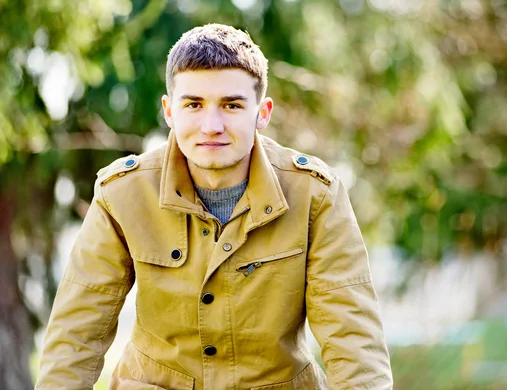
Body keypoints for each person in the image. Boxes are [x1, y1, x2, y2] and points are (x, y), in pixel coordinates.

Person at [36, 23, 393, 389]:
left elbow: (353, 342)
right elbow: (75, 336)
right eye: (193, 104)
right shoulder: (123, 193)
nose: (211, 126)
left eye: (232, 105)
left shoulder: (315, 195)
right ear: (169, 110)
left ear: (263, 112)